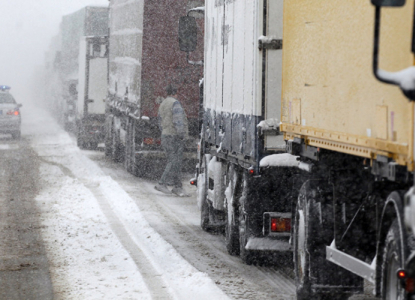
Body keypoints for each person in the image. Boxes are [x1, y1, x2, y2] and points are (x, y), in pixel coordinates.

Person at [154, 84, 189, 196]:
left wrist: (165, 130)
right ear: (175, 93)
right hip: (174, 136)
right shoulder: (175, 103)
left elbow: (159, 121)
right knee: (174, 160)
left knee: (175, 161)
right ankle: (162, 183)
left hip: (165, 135)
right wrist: (181, 134)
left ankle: (178, 187)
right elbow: (178, 120)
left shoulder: (163, 104)